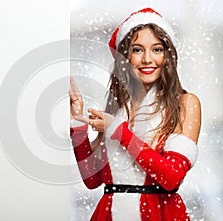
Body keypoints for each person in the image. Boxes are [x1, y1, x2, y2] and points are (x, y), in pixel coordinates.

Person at [69, 8, 201, 221]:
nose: (148, 59)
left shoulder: (185, 103)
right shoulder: (118, 108)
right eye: (137, 50)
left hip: (160, 214)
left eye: (157, 49)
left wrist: (118, 131)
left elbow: (171, 177)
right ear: (125, 58)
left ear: (168, 55)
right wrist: (77, 123)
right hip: (109, 213)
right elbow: (93, 180)